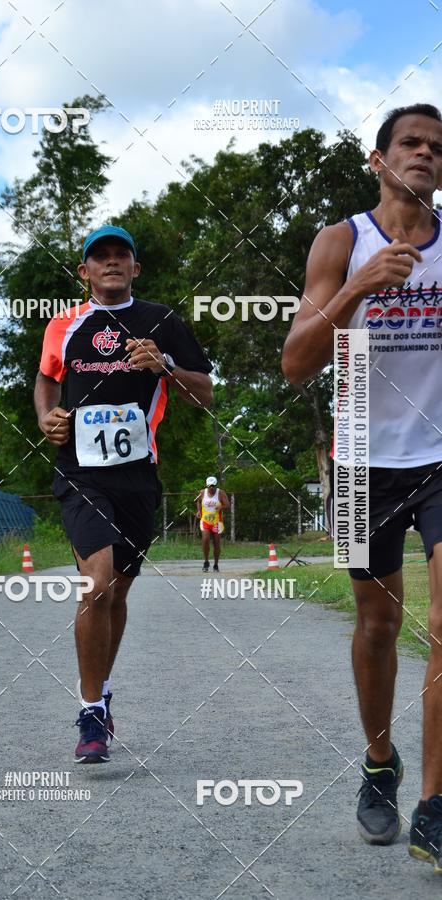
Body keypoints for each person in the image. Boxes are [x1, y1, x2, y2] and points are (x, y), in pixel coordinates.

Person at [282, 104, 442, 869]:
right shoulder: (341, 241)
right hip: (360, 464)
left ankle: (435, 803)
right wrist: (358, 290)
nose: (425, 155)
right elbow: (295, 361)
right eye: (410, 143)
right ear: (378, 160)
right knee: (377, 629)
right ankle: (381, 762)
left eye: (437, 148)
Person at [35, 225, 213, 763]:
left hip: (138, 479)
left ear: (136, 269)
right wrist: (47, 416)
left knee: (118, 595)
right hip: (81, 475)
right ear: (84, 271)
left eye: (122, 256)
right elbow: (47, 377)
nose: (111, 263)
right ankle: (91, 710)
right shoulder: (64, 324)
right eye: (100, 257)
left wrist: (164, 366)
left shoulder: (162, 321)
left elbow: (204, 393)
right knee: (97, 585)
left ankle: (101, 693)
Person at [196, 476, 230, 572]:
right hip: (205, 520)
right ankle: (206, 561)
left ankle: (216, 564)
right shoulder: (202, 492)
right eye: (210, 486)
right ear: (207, 485)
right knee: (205, 539)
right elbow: (198, 501)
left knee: (216, 543)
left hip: (217, 522)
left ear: (216, 485)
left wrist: (221, 507)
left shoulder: (221, 493)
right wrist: (199, 511)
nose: (212, 488)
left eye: (213, 486)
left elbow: (227, 505)